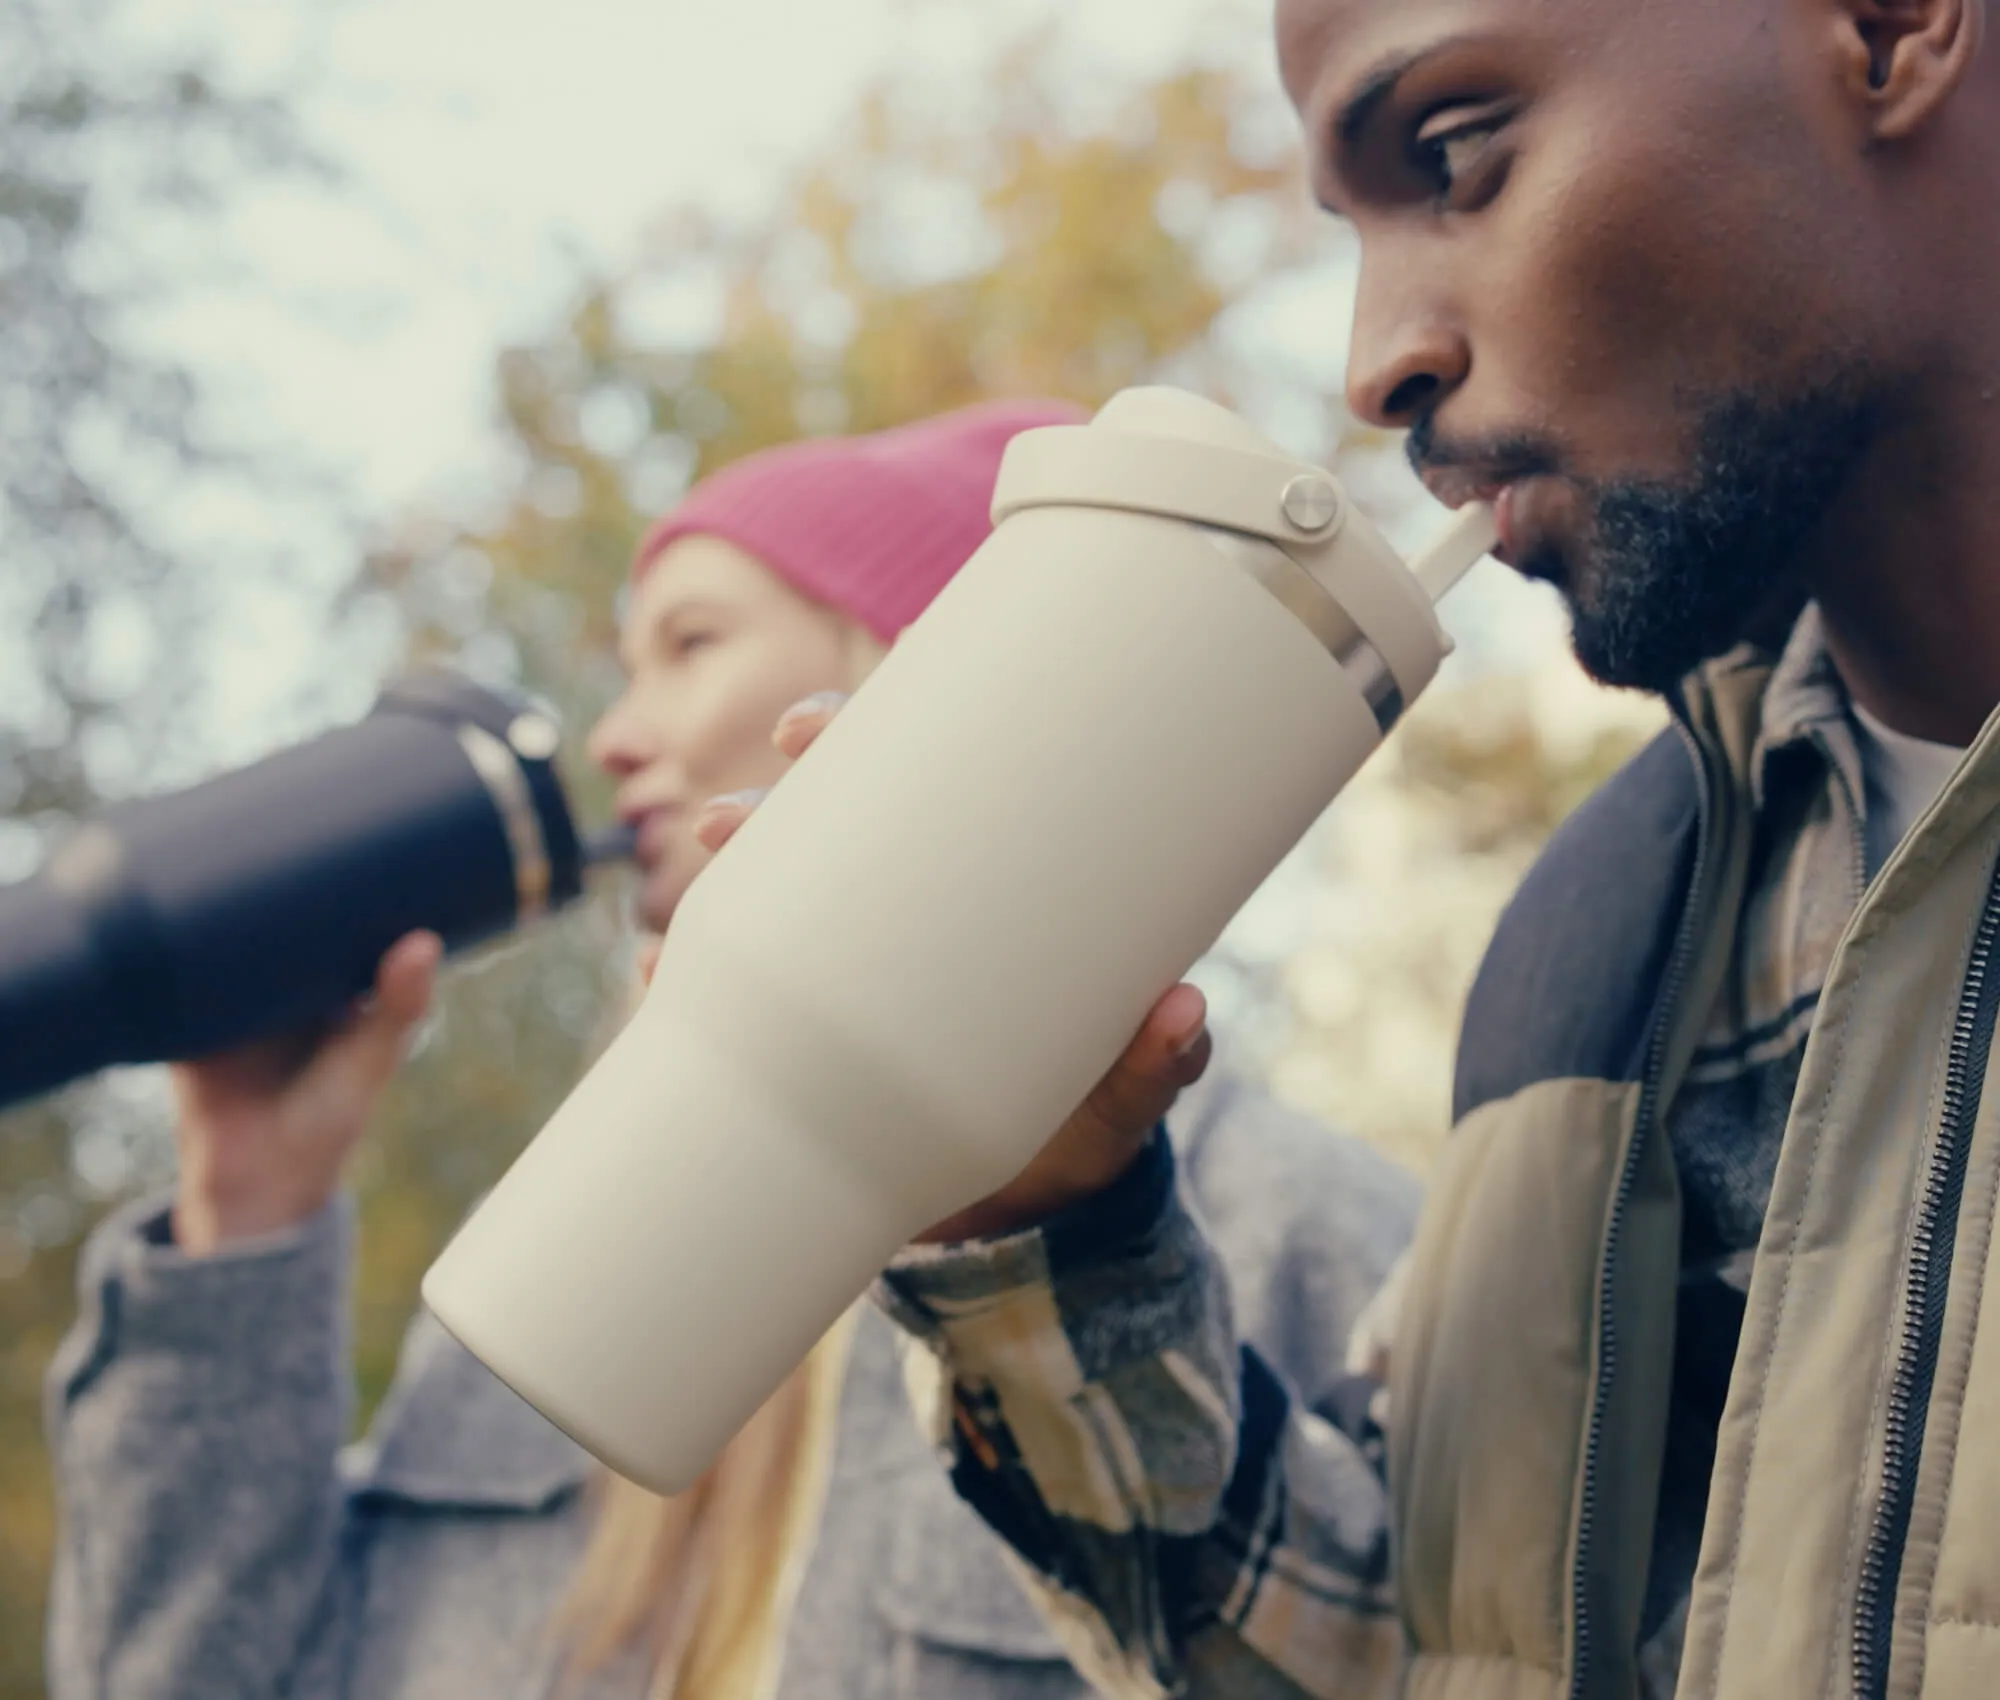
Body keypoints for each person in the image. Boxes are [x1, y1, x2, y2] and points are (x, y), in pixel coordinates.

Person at [774, 1, 2000, 1697]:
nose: (1377, 364)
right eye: (1352, 230)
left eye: (1454, 152)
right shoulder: (1593, 949)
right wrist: (1045, 1221)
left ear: (1883, 29)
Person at [43, 400, 1419, 1700]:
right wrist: (247, 1203)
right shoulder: (554, 1259)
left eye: (692, 645)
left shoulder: (1281, 1220)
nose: (618, 735)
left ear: (953, 661)